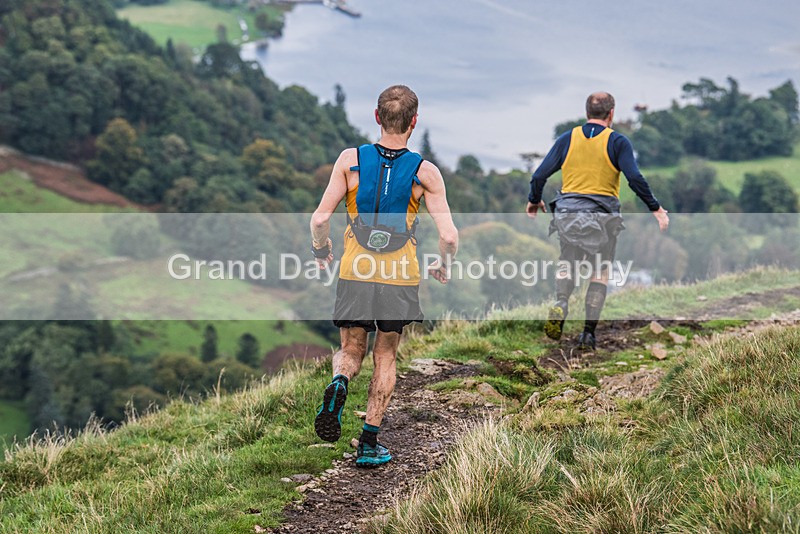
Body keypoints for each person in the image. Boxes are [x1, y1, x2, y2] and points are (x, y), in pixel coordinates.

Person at [310, 85, 458, 467]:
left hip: (355, 270)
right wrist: (444, 264)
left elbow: (320, 219)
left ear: (377, 117)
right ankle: (369, 442)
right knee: (386, 354)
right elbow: (448, 236)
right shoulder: (425, 172)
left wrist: (321, 251)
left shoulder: (350, 161)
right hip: (399, 275)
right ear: (414, 122)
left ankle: (340, 382)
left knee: (351, 349)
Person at [526, 92, 669, 350]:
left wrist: (534, 200)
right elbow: (634, 178)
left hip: (568, 215)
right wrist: (655, 208)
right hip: (603, 217)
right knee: (599, 271)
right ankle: (588, 335)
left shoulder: (568, 139)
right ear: (611, 113)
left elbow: (539, 176)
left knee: (567, 264)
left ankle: (561, 302)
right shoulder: (617, 142)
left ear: (586, 112)